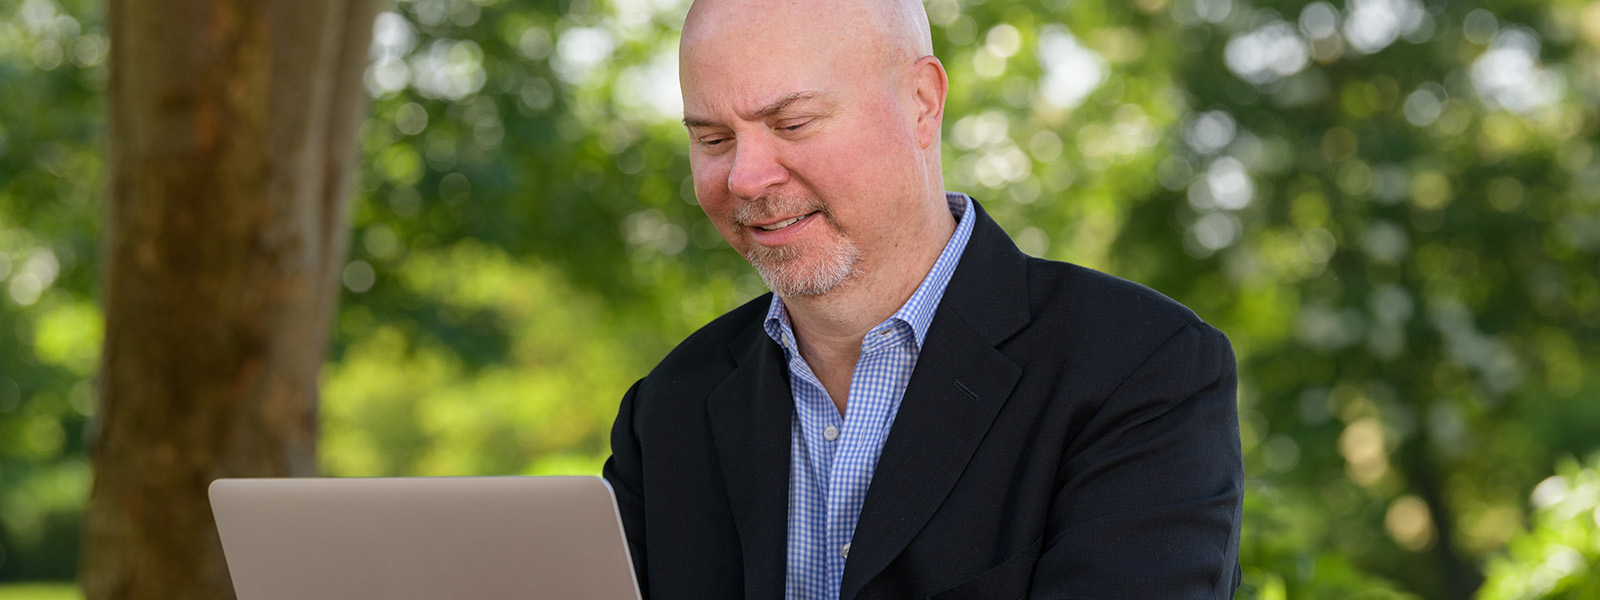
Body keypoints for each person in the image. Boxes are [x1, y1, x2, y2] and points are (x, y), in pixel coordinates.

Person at [601, 0, 1244, 597]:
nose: (745, 177)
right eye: (713, 139)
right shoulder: (665, 410)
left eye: (792, 123)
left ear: (921, 103)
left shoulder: (1140, 368)